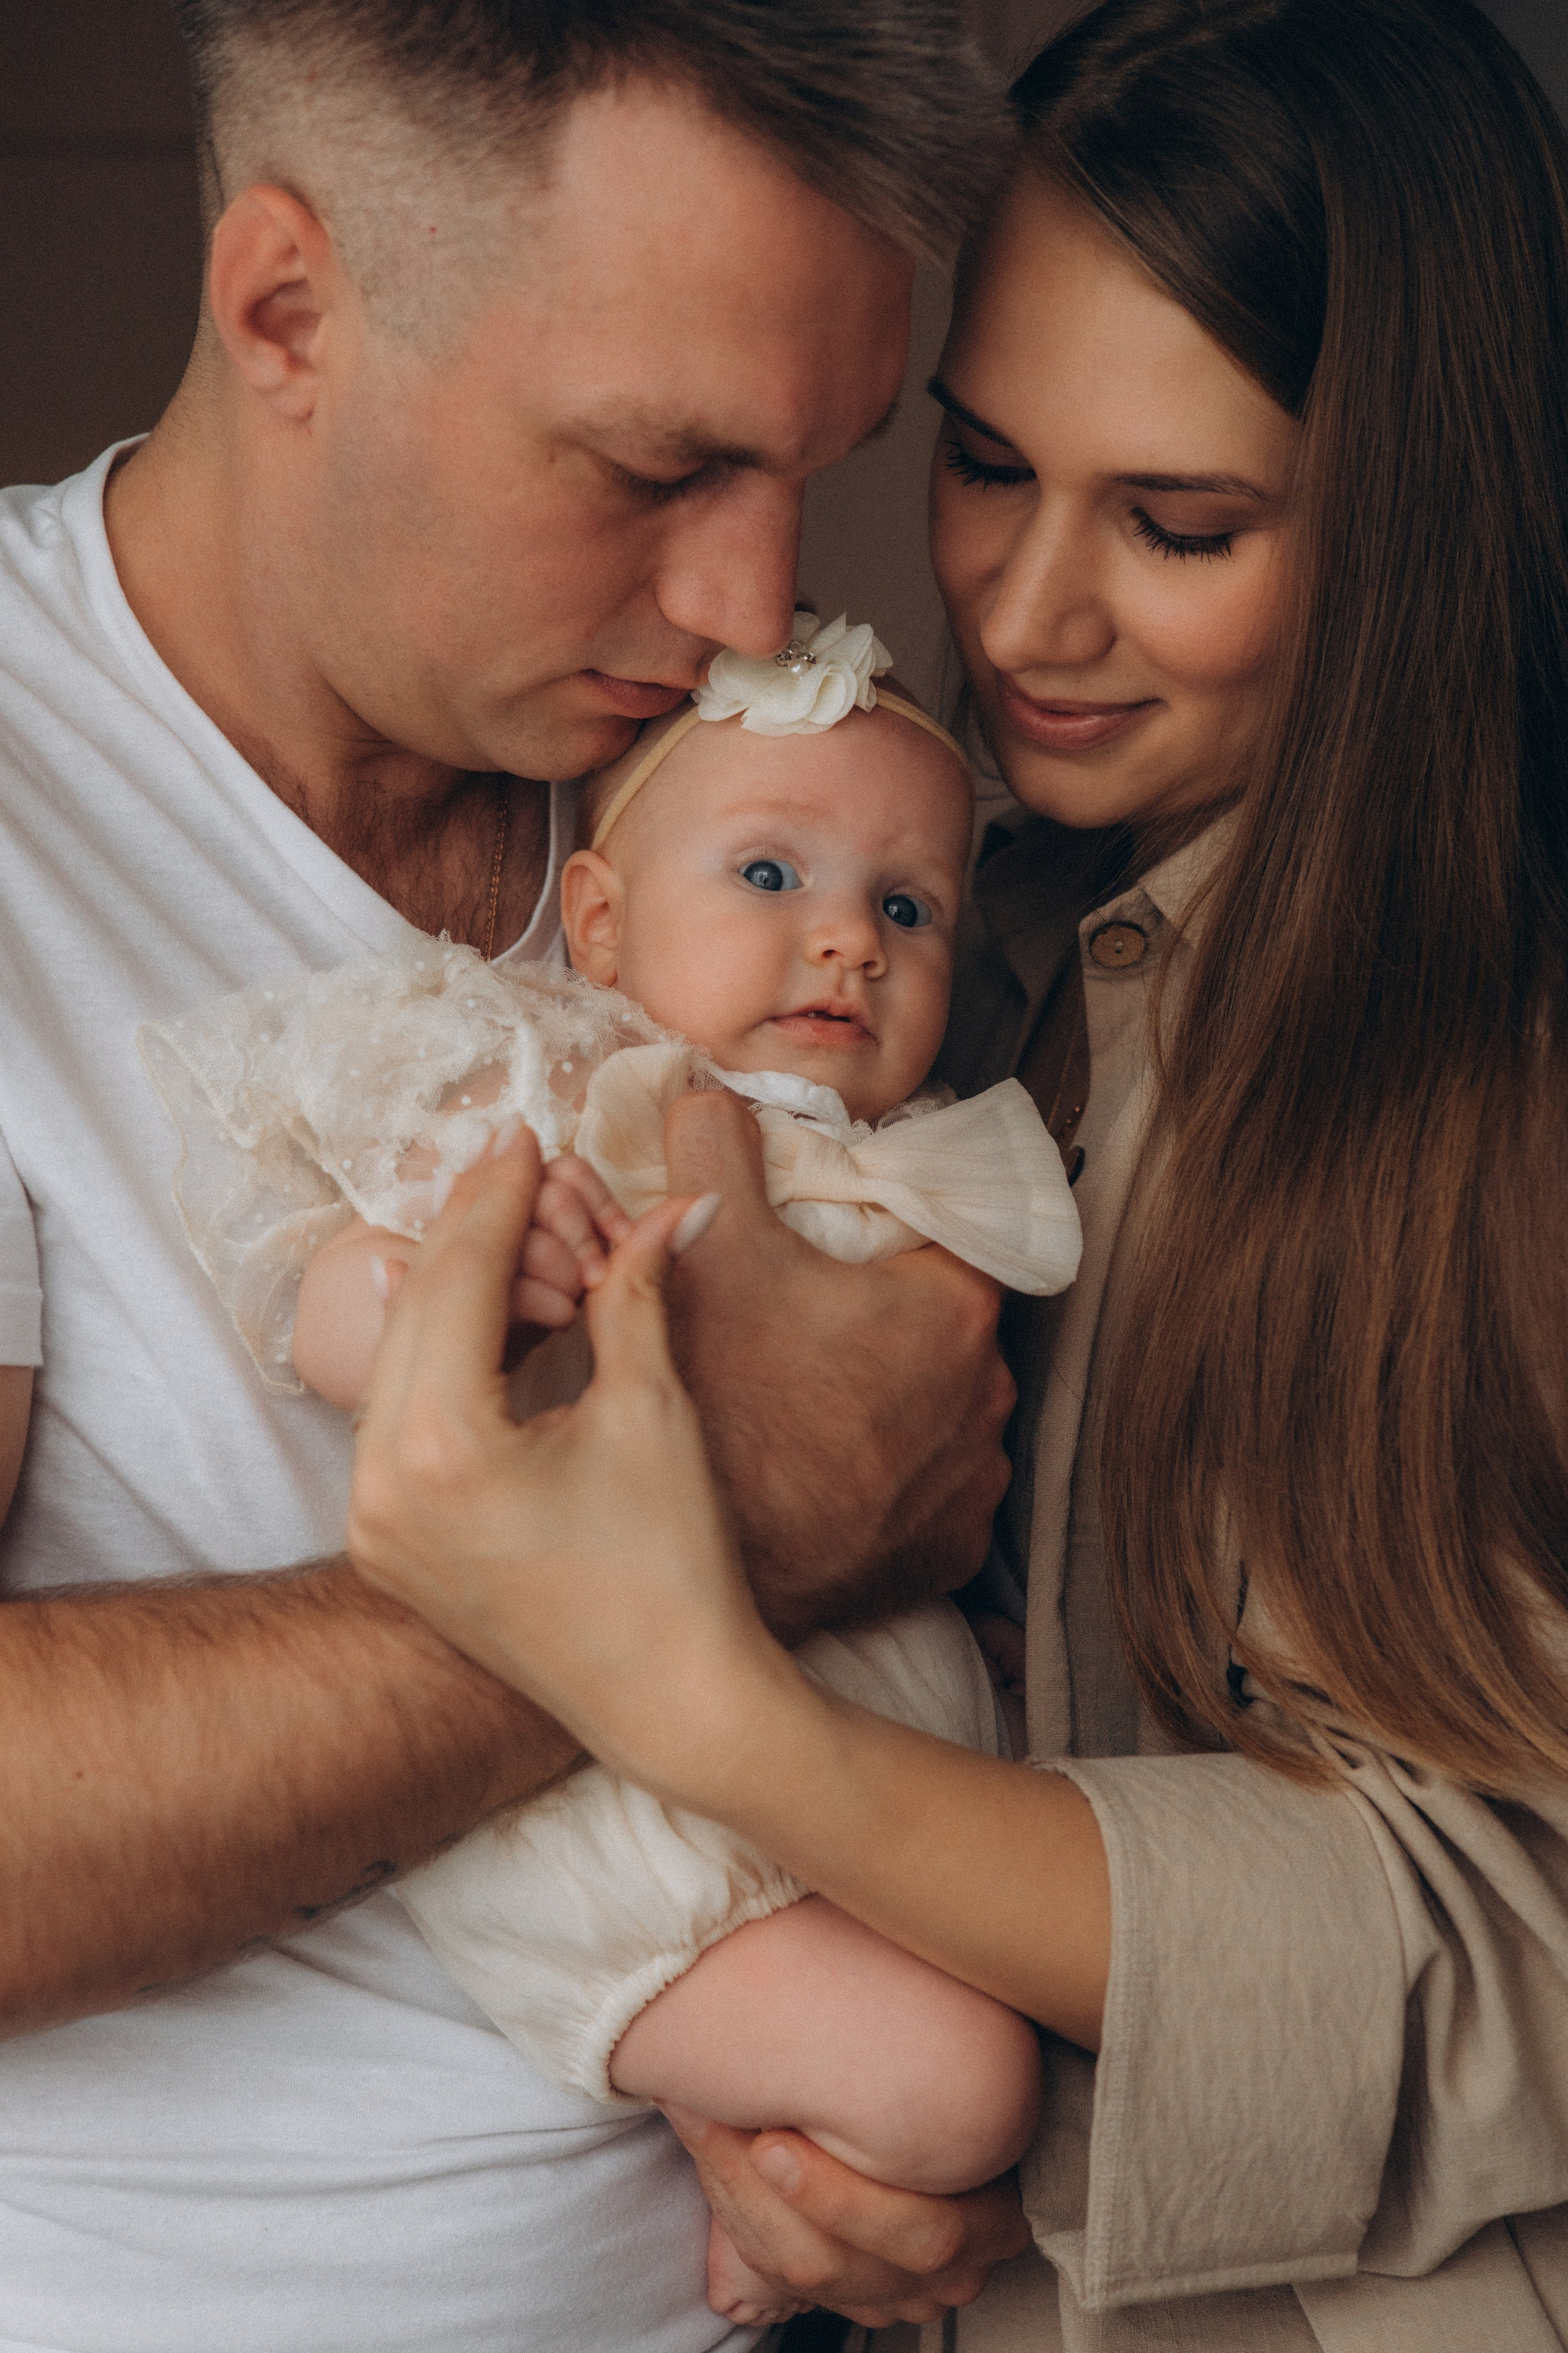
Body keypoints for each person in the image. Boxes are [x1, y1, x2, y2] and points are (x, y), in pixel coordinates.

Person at [344, 0, 1568, 2345]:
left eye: (1181, 525)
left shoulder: (1499, 1074)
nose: (1022, 614)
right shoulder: (948, 945)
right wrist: (786, 2053)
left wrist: (727, 1727)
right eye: (987, 464)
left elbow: (1508, 1935)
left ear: (1417, 522)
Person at [0, 7, 1024, 2349]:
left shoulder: (788, 818)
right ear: (289, 310)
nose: (757, 606)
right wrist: (735, 1510)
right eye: (658, 465)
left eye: (821, 465)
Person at [141, 631, 1079, 2330]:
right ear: (598, 924)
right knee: (966, 2092)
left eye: (909, 907)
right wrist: (451, 1297)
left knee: (1058, 1984)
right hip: (622, 1817)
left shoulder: (937, 1155)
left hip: (858, 1759)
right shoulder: (563, 1096)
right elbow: (315, 1290)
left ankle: (762, 2187)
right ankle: (754, 2183)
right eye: (772, 874)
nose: (848, 940)